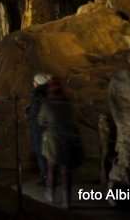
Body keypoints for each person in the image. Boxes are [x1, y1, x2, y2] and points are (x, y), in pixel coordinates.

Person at [38, 79, 83, 208]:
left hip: (52, 139)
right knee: (65, 170)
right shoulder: (69, 104)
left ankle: (50, 195)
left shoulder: (47, 104)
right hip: (68, 138)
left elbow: (41, 121)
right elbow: (75, 119)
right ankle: (66, 200)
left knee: (52, 168)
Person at [26, 72, 51, 185]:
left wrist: (29, 113)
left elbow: (35, 113)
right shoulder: (49, 93)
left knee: (41, 152)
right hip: (48, 128)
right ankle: (49, 175)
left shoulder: (37, 95)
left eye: (34, 82)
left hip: (39, 128)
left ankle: (45, 177)